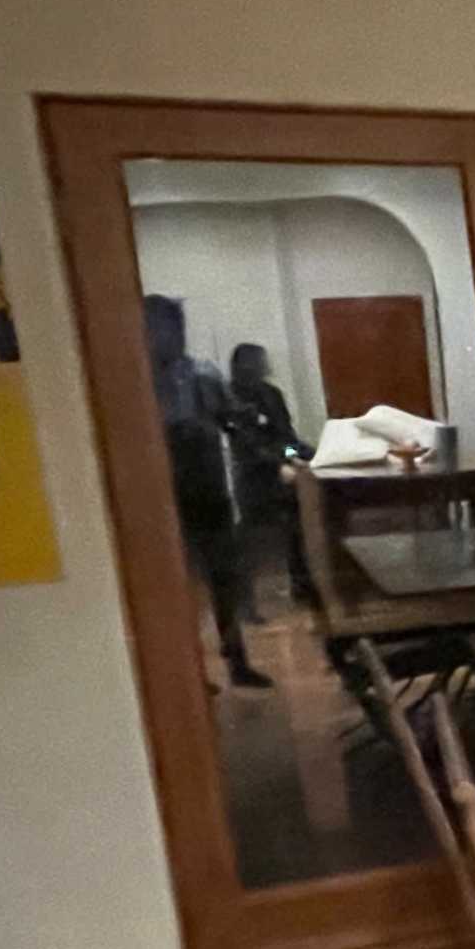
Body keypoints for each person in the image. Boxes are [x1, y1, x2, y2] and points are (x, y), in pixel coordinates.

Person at [144, 294, 267, 690]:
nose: (172, 337)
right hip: (162, 496)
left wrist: (245, 423)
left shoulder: (203, 374)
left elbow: (233, 421)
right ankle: (190, 673)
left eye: (175, 327)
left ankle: (237, 662)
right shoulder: (135, 381)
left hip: (208, 485)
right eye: (162, 328)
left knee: (224, 578)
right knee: (176, 588)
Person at [224, 341, 310, 614]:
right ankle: (246, 603)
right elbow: (245, 443)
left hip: (282, 468)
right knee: (251, 540)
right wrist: (278, 466)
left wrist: (294, 457)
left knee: (298, 524)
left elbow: (286, 436)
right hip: (252, 473)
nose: (266, 366)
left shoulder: (272, 394)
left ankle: (302, 586)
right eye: (260, 362)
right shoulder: (229, 396)